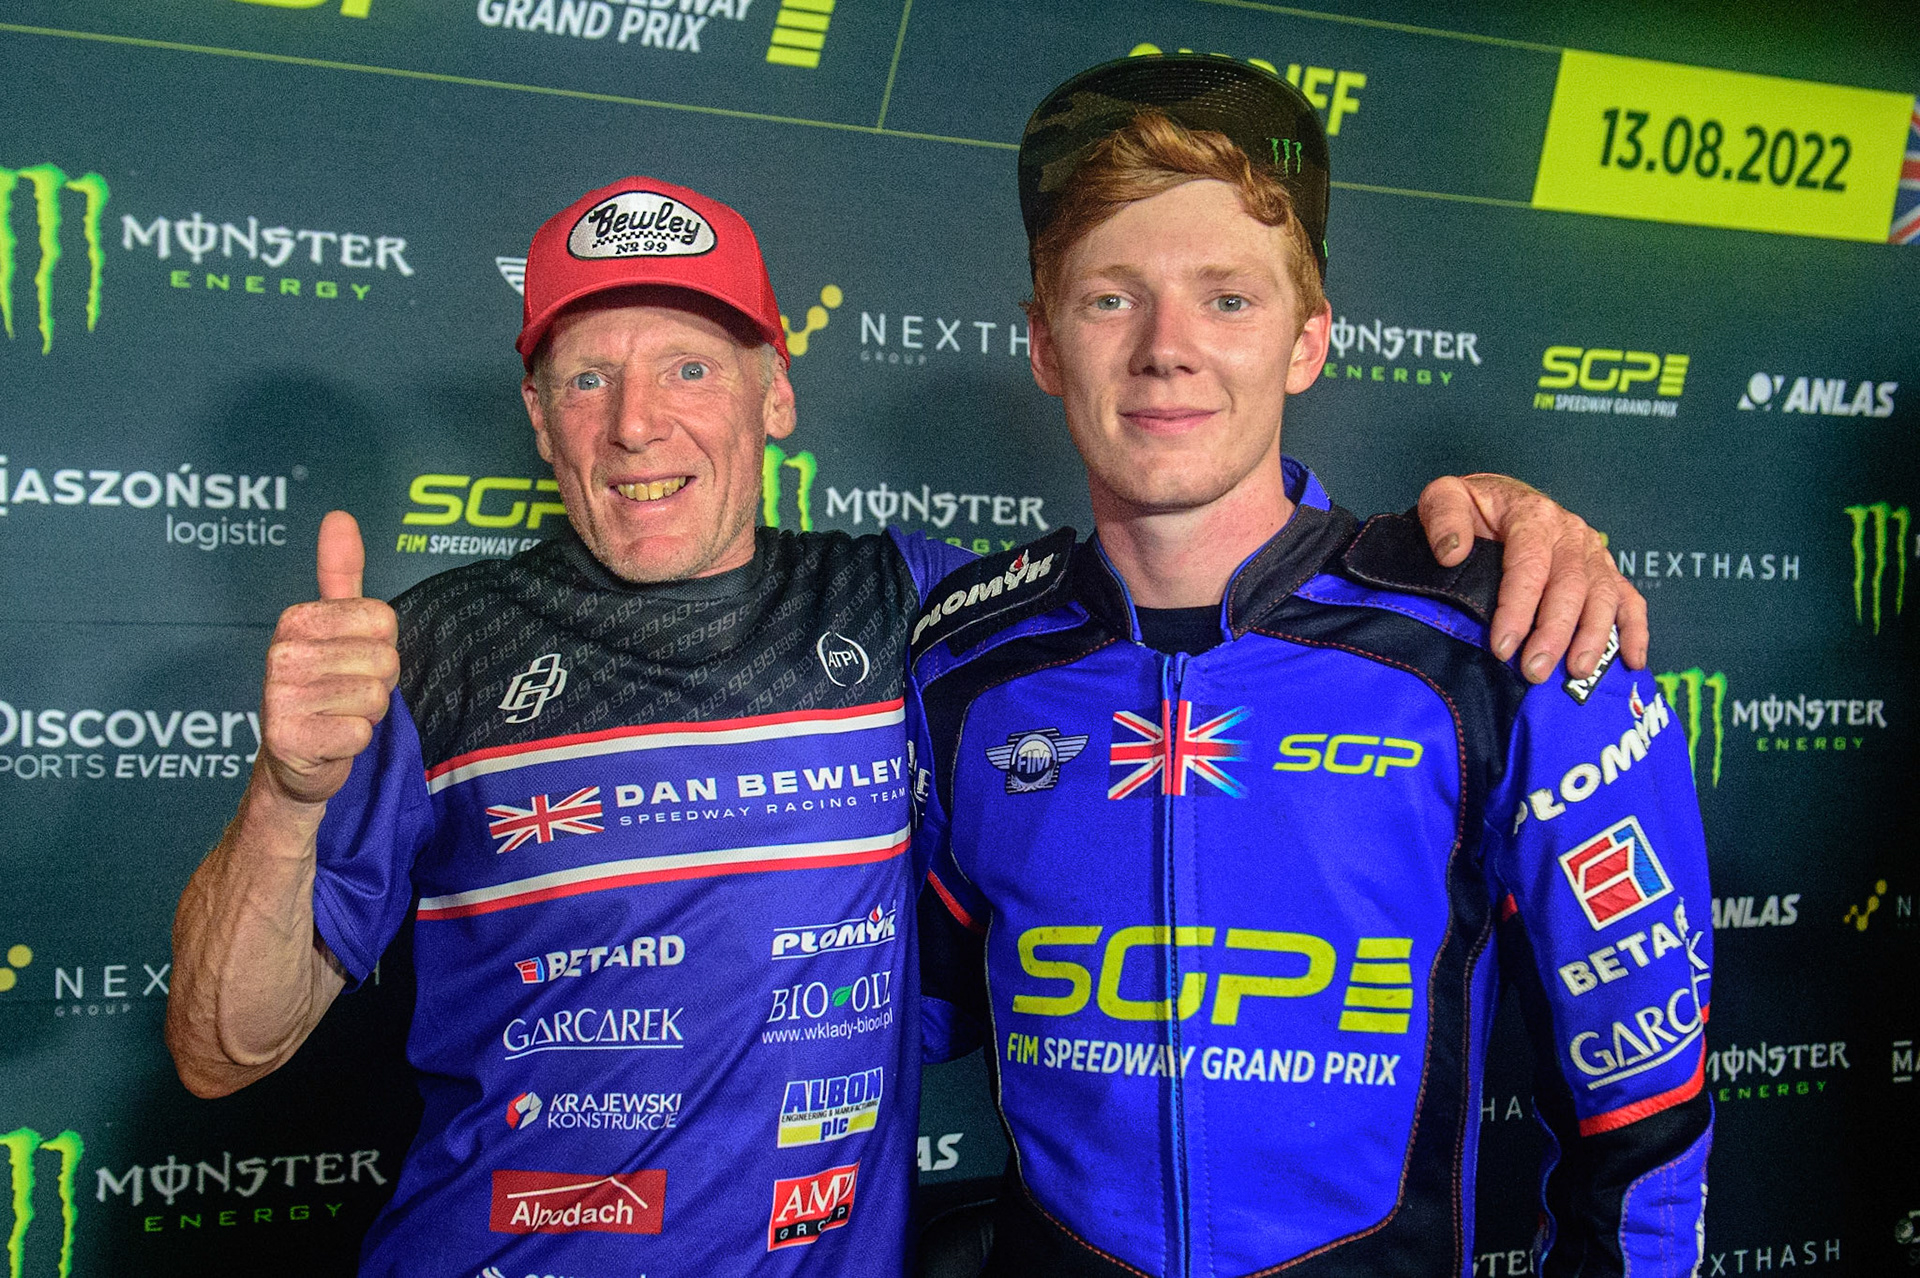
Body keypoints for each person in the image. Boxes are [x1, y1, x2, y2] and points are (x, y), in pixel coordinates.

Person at [164, 173, 1647, 1277]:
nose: (638, 423)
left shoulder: (922, 615)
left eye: (689, 366)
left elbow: (1181, 573)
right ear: (541, 416)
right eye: (588, 376)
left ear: (775, 392)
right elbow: (225, 1051)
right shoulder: (429, 648)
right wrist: (293, 793)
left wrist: (1504, 534)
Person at [910, 55, 1711, 1278]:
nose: (1167, 350)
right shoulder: (959, 664)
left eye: (1228, 298)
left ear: (1308, 340)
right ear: (1042, 343)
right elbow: (864, 1024)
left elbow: (1643, 1117)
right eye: (1110, 298)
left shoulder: (1506, 636)